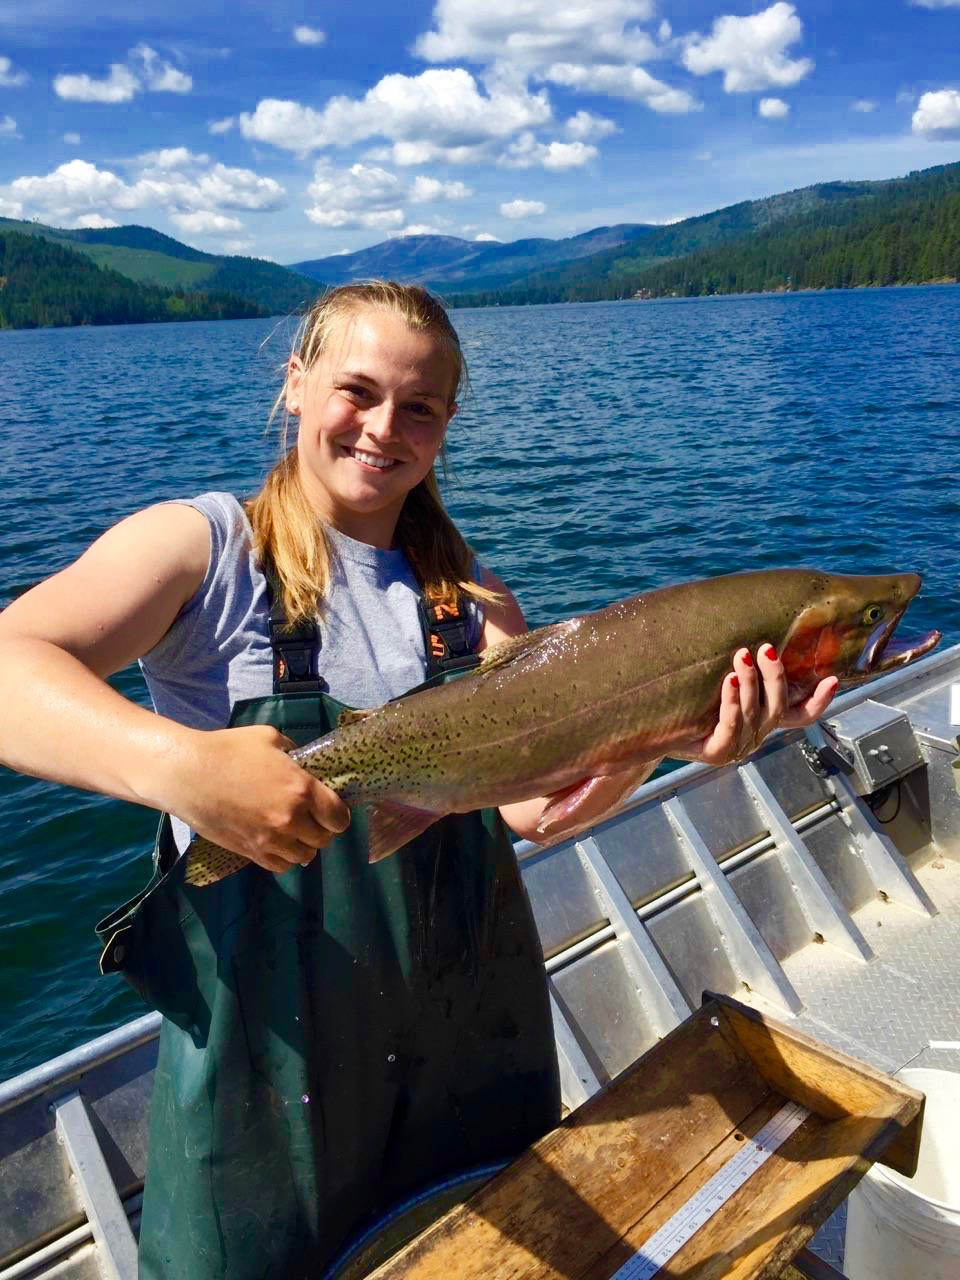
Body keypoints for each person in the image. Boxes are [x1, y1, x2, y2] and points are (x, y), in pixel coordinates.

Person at [0, 281, 837, 1279]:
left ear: (446, 425)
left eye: (420, 407)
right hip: (268, 1076)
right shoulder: (203, 551)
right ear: (295, 384)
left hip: (470, 1046)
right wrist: (176, 765)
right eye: (357, 390)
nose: (382, 427)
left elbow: (534, 808)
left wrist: (667, 736)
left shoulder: (471, 601)